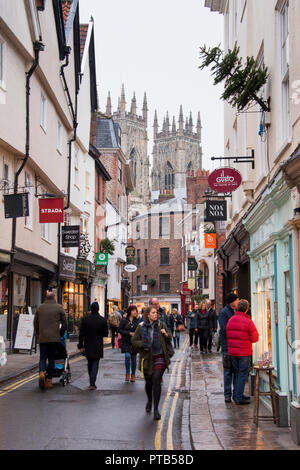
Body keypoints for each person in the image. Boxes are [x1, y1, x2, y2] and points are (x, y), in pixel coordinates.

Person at [132, 306, 172, 420]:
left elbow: (170, 337)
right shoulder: (141, 327)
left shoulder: (161, 325)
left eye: (156, 313)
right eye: (153, 313)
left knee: (156, 381)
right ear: (148, 315)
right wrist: (143, 344)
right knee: (148, 382)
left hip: (160, 356)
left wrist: (166, 334)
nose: (156, 314)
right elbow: (134, 341)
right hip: (147, 358)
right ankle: (149, 400)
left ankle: (156, 409)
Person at [226, 299, 259, 405]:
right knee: (242, 374)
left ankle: (237, 394)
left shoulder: (231, 320)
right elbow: (255, 338)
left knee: (237, 373)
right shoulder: (248, 321)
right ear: (246, 309)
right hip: (244, 352)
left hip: (233, 352)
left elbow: (227, 335)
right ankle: (238, 397)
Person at [34, 291, 67, 390]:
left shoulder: (40, 307)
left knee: (43, 358)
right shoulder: (59, 307)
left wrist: (38, 334)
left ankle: (42, 372)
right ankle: (49, 381)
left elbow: (35, 323)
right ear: (54, 298)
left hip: (43, 337)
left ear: (46, 298)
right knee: (52, 358)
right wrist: (60, 333)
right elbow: (65, 323)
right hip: (54, 338)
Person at [77, 302, 108, 390]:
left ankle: (91, 380)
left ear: (91, 308)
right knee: (95, 363)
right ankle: (92, 382)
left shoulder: (85, 319)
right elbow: (105, 334)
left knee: (90, 362)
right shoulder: (102, 320)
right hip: (98, 344)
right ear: (98, 309)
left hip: (88, 344)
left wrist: (80, 345)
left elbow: (81, 334)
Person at [218, 293, 239, 403]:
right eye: (237, 300)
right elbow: (225, 330)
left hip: (235, 346)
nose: (238, 301)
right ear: (232, 302)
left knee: (236, 371)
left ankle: (236, 394)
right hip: (227, 347)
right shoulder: (223, 313)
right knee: (227, 372)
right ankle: (227, 395)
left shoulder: (235, 311)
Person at [118, 305, 139, 383]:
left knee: (133, 359)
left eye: (136, 311)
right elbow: (119, 330)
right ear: (130, 311)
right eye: (133, 310)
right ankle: (127, 373)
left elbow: (139, 330)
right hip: (126, 342)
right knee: (127, 356)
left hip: (134, 342)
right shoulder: (124, 320)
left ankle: (133, 375)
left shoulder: (137, 321)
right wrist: (128, 333)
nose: (135, 312)